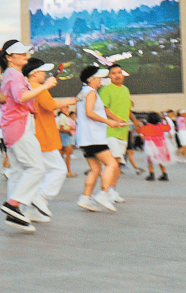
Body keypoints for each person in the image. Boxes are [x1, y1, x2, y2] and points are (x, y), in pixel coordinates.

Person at [0, 41, 53, 233]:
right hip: (19, 126)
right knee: (37, 168)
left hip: (13, 126)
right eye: (20, 54)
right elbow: (21, 97)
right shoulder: (13, 75)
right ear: (9, 58)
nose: (25, 57)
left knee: (20, 171)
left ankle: (15, 213)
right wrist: (44, 86)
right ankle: (13, 205)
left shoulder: (12, 74)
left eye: (25, 54)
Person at [22, 58, 77, 221]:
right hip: (43, 135)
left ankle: (30, 211)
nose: (45, 75)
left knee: (39, 173)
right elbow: (51, 105)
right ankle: (41, 198)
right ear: (35, 73)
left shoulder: (28, 87)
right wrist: (72, 100)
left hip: (34, 134)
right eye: (43, 71)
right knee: (59, 170)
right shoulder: (38, 88)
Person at [75, 66, 124, 212]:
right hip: (94, 137)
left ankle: (85, 197)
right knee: (112, 164)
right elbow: (89, 113)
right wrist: (109, 121)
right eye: (98, 78)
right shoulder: (91, 93)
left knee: (95, 169)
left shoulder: (83, 93)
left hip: (85, 138)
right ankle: (103, 193)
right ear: (91, 79)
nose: (100, 80)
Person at [98, 64, 138, 202]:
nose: (117, 75)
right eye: (114, 73)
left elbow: (127, 109)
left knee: (119, 164)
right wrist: (115, 119)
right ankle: (105, 191)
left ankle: (112, 190)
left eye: (119, 72)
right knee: (113, 162)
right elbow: (102, 107)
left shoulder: (126, 90)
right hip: (110, 130)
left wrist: (135, 121)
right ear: (109, 76)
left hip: (123, 132)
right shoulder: (106, 89)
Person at [138, 113, 171, 181]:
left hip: (150, 145)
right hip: (161, 145)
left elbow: (140, 133)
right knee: (161, 159)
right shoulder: (161, 126)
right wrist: (165, 120)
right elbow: (168, 127)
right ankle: (164, 174)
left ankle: (151, 174)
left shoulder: (146, 127)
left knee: (149, 160)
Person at [56, 106, 76, 176]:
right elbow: (62, 128)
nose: (65, 109)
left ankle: (60, 170)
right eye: (63, 108)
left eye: (66, 108)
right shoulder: (63, 117)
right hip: (65, 135)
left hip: (61, 135)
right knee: (67, 154)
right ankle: (68, 171)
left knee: (61, 154)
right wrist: (69, 131)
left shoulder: (63, 117)